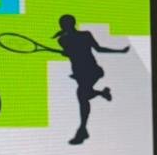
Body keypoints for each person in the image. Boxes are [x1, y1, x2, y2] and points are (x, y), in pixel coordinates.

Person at [51, 14, 129, 145]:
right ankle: (102, 93)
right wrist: (68, 53)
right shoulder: (62, 40)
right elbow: (74, 54)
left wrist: (119, 51)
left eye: (65, 24)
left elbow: (98, 49)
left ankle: (82, 130)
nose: (64, 26)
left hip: (92, 70)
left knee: (82, 96)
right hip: (79, 73)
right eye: (63, 24)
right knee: (84, 95)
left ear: (71, 24)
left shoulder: (83, 35)